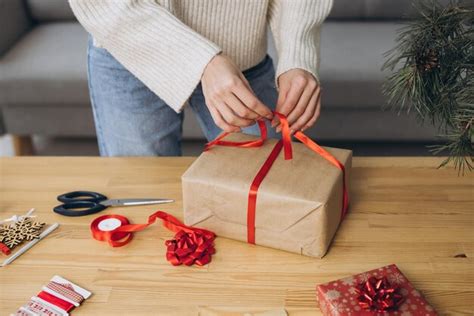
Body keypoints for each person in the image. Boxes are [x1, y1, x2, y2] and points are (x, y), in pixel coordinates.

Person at [69, 0, 333, 156]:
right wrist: (200, 61)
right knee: (140, 194)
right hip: (133, 49)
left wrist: (298, 51)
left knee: (267, 193)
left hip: (243, 57)